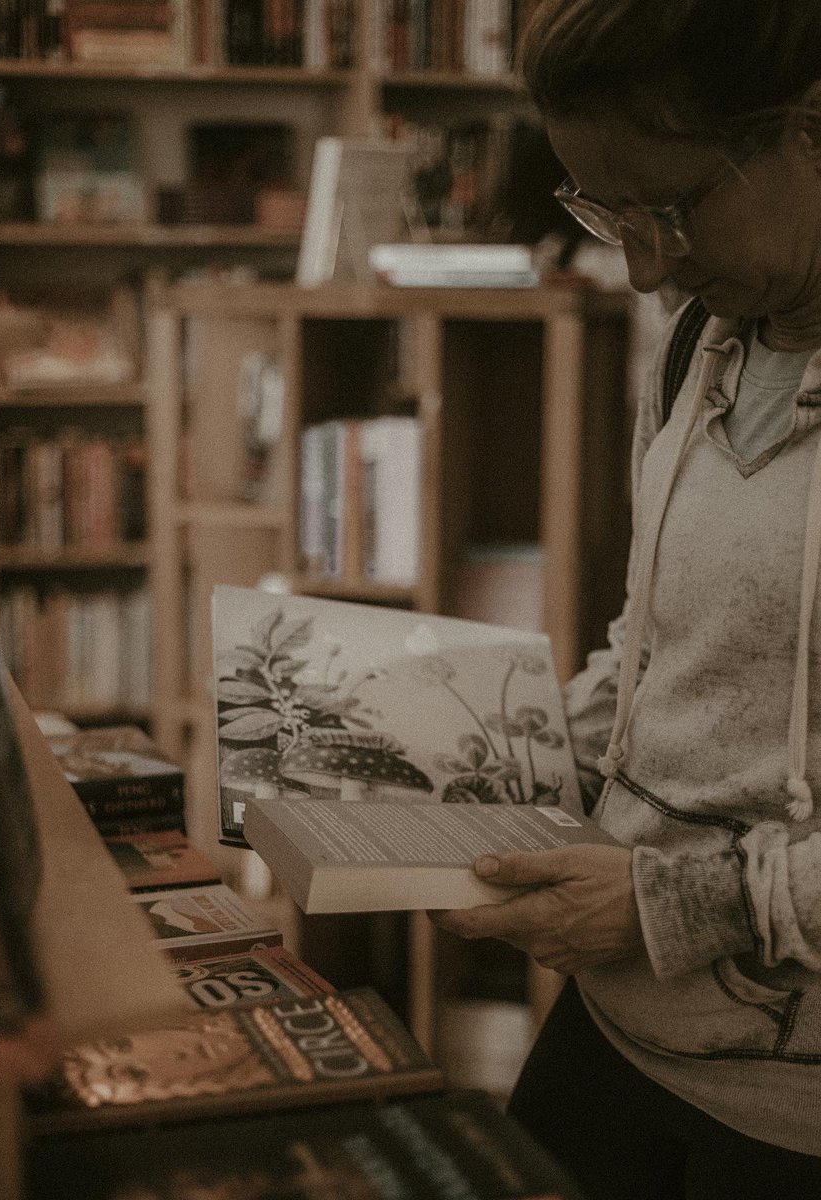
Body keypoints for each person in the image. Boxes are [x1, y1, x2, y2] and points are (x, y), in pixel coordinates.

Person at [430, 3, 821, 1196]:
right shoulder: (706, 336)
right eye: (604, 211)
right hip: (614, 1035)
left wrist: (672, 903)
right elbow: (659, 647)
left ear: (808, 132)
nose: (644, 268)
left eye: (672, 206)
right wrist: (492, 769)